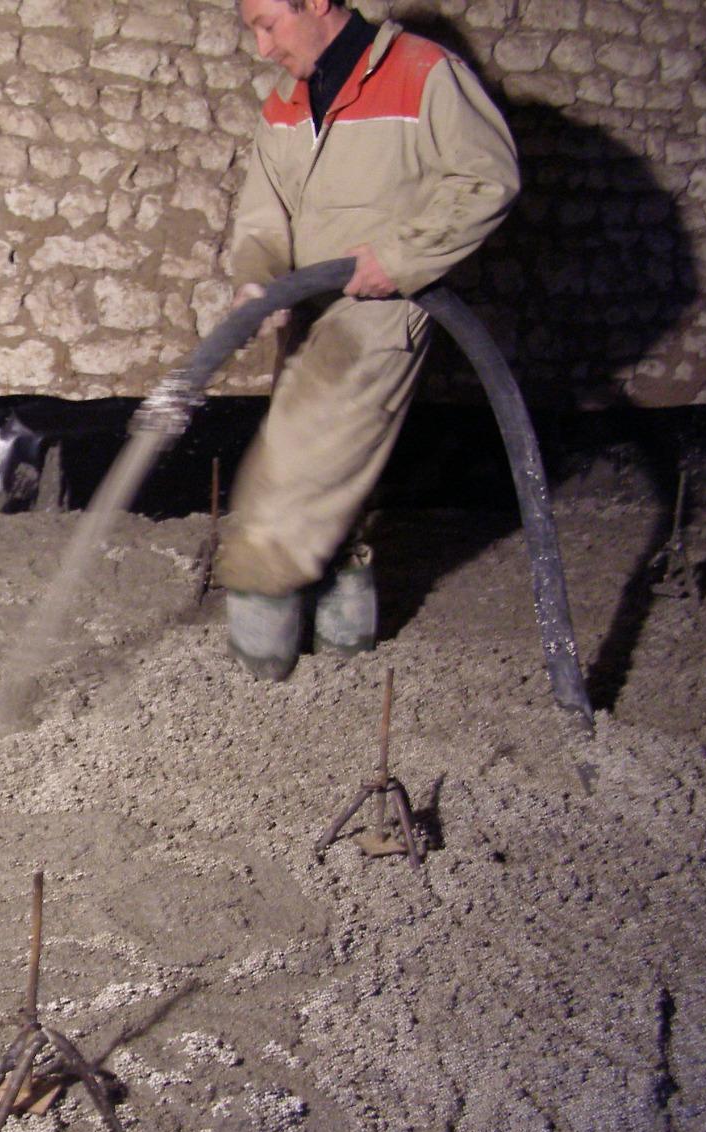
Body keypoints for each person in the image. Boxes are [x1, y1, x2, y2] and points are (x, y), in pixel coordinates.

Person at [216, 0, 520, 680]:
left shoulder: (423, 73)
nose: (263, 47)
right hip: (308, 311)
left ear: (317, 2)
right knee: (328, 476)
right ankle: (344, 645)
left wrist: (402, 256)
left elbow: (488, 176)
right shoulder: (287, 99)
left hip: (380, 314)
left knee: (282, 483)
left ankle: (257, 671)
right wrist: (257, 282)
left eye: (269, 23)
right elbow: (264, 220)